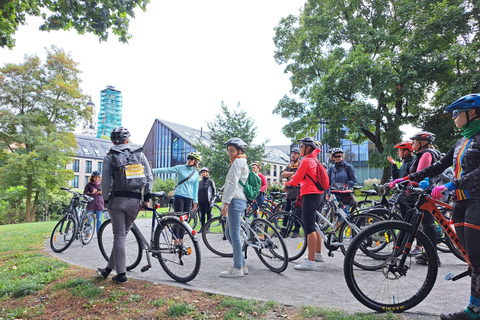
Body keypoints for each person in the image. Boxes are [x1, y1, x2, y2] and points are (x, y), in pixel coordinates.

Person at [391, 94, 480, 320]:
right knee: (470, 257)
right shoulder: (461, 141)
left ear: (472, 113)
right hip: (459, 203)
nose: (452, 117)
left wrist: (452, 183)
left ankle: (474, 310)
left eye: (455, 113)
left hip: (477, 201)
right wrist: (407, 179)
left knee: (478, 259)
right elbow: (439, 165)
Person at [97, 127, 153, 283]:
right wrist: (146, 198)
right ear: (127, 140)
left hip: (117, 202)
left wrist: (106, 200)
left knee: (119, 236)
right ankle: (108, 270)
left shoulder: (110, 157)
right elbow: (149, 178)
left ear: (113, 141)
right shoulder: (139, 154)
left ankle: (121, 274)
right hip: (135, 202)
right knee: (121, 237)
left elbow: (106, 183)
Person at [390, 131, 442, 261]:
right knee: (427, 224)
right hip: (425, 191)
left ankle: (432, 256)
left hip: (425, 192)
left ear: (422, 143)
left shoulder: (426, 154)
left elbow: (420, 175)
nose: (412, 143)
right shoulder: (423, 154)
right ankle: (431, 255)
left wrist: (403, 181)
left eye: (414, 141)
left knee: (428, 225)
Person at [285, 137, 329, 271]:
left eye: (302, 146)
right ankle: (317, 254)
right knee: (315, 226)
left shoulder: (306, 161)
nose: (300, 149)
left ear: (308, 148)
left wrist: (288, 184)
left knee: (309, 228)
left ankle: (310, 262)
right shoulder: (315, 160)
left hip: (310, 195)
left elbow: (297, 178)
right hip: (319, 195)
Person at [152, 152, 200, 238]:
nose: (189, 160)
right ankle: (175, 239)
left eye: (191, 159)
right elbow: (167, 170)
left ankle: (180, 240)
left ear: (195, 161)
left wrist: (195, 201)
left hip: (188, 198)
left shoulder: (196, 173)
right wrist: (153, 170)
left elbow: (195, 189)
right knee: (178, 218)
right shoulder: (181, 168)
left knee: (185, 220)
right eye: (188, 158)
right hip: (179, 196)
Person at [221, 137, 250, 278]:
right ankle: (242, 264)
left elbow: (232, 183)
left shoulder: (237, 162)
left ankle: (237, 267)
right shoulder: (242, 161)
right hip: (239, 200)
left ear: (239, 150)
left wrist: (226, 203)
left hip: (235, 200)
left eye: (232, 150)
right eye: (228, 151)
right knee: (229, 234)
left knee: (235, 235)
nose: (229, 153)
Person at [281, 147, 301, 237]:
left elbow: (299, 175)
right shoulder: (290, 165)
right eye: (292, 153)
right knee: (286, 212)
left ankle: (296, 230)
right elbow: (282, 174)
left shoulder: (300, 164)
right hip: (289, 192)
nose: (293, 155)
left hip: (297, 192)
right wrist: (293, 174)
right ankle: (284, 230)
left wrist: (291, 175)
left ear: (299, 155)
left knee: (297, 213)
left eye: (295, 154)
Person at [198, 167, 216, 232]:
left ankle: (207, 228)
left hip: (208, 201)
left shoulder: (210, 181)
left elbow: (214, 191)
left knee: (208, 214)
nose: (203, 173)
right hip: (201, 200)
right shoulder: (200, 182)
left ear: (207, 173)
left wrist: (212, 199)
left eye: (204, 172)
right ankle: (202, 227)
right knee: (202, 215)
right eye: (202, 172)